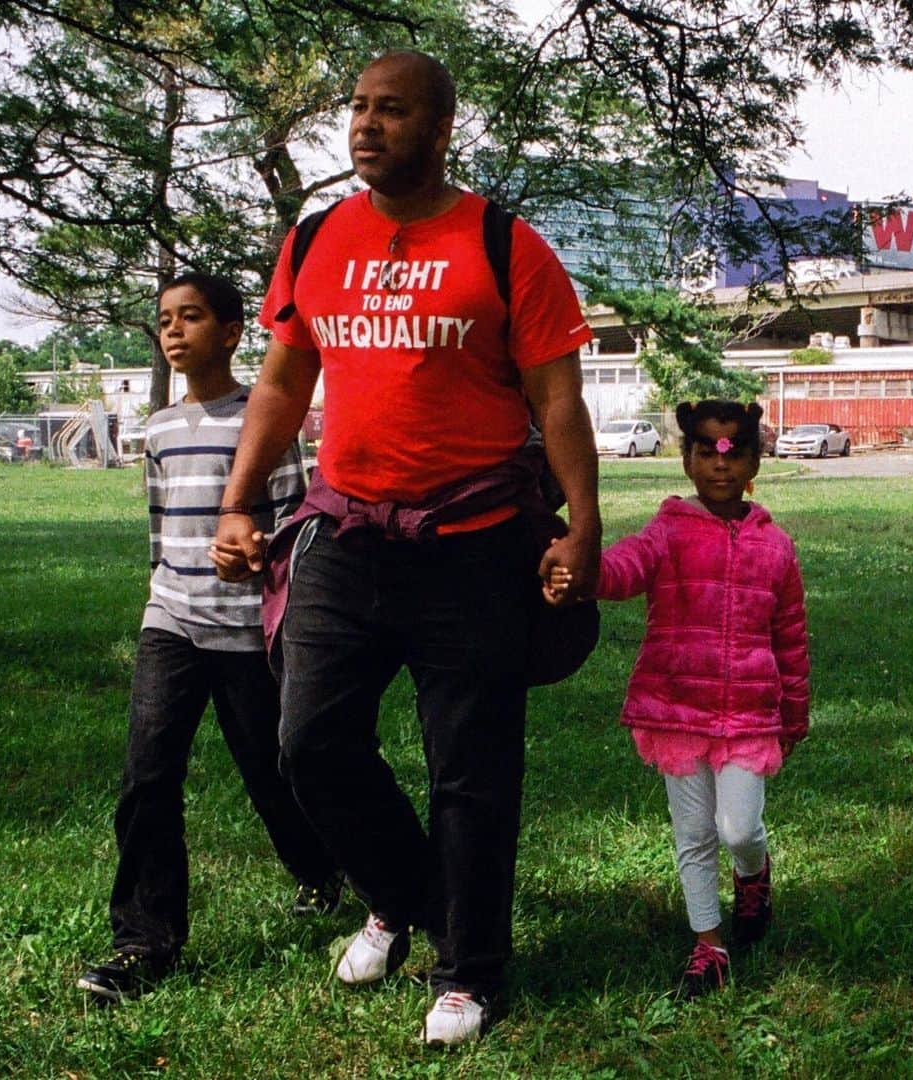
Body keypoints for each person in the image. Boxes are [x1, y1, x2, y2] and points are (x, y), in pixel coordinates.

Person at [211, 50, 601, 1045]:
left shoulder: (506, 244)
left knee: (469, 765)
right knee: (310, 743)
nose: (366, 125)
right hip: (344, 532)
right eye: (357, 107)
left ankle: (468, 969)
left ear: (439, 129)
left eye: (392, 110)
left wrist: (585, 519)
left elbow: (558, 398)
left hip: (473, 542)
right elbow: (281, 388)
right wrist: (239, 500)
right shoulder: (316, 241)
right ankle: (403, 892)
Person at [77, 272, 341, 1005]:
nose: (173, 331)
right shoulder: (158, 428)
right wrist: (158, 595)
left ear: (231, 332)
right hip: (171, 620)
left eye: (190, 317)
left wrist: (256, 549)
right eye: (164, 319)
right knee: (148, 774)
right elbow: (159, 530)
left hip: (245, 631)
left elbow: (295, 521)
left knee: (271, 771)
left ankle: (320, 871)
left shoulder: (264, 415)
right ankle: (144, 938)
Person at [547, 400, 809, 999]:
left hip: (749, 716)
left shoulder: (778, 548)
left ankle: (752, 875)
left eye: (735, 452)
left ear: (754, 464)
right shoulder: (666, 531)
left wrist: (794, 713)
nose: (721, 466)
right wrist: (581, 572)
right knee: (694, 833)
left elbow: (791, 638)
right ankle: (708, 944)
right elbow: (623, 569)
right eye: (706, 452)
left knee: (738, 828)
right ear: (687, 461)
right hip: (676, 710)